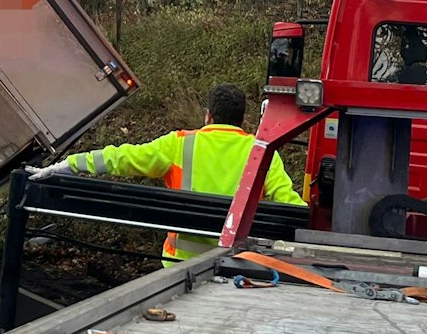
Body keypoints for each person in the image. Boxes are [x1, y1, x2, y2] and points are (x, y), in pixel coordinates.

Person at [34, 82, 305, 265]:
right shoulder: (263, 154)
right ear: (242, 119)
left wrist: (72, 163)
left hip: (179, 267)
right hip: (236, 263)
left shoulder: (178, 144)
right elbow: (290, 204)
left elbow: (123, 157)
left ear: (208, 115)